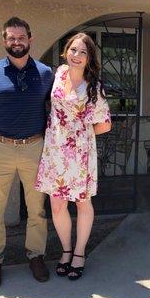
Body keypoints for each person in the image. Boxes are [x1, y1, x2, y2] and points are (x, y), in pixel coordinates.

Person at [0, 17, 54, 289]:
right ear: (4, 41)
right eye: (11, 38)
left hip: (35, 148)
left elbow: (58, 109)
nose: (16, 42)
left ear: (30, 39)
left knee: (37, 209)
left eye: (21, 37)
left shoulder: (45, 73)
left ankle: (36, 256)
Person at [35, 32, 111, 280]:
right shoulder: (57, 75)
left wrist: (80, 131)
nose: (77, 56)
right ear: (65, 51)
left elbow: (105, 125)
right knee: (57, 204)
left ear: (90, 58)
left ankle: (79, 253)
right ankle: (66, 251)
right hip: (54, 150)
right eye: (73, 50)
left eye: (83, 52)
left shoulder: (94, 88)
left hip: (79, 154)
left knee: (82, 202)